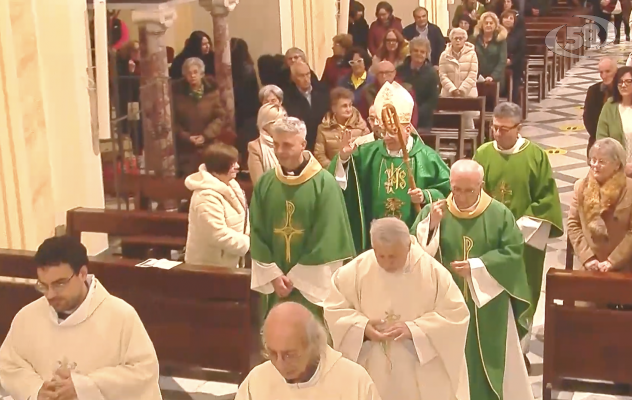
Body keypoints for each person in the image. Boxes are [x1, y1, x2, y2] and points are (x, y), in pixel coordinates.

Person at [412, 160, 533, 400]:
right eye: (456, 189)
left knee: (487, 358)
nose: (462, 196)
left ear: (481, 186)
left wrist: (477, 267)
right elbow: (414, 254)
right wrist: (432, 227)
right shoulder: (435, 212)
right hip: (444, 304)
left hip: (487, 306)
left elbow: (513, 253)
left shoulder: (498, 214)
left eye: (470, 190)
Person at [324, 217, 470, 400]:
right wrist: (362, 327)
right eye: (380, 255)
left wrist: (415, 329)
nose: (386, 262)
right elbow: (335, 308)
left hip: (416, 369)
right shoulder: (357, 270)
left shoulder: (432, 272)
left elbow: (455, 316)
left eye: (393, 256)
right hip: (373, 365)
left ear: (408, 246)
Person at [0, 236, 161, 400]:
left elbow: (144, 372)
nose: (50, 294)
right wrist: (36, 390)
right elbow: (9, 364)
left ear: (82, 273)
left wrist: (85, 387)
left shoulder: (121, 316)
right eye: (43, 285)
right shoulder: (28, 317)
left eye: (59, 284)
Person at [473, 102, 564, 359]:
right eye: (494, 127)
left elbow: (546, 201)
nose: (497, 133)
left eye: (503, 129)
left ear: (518, 128)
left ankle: (519, 351)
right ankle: (491, 347)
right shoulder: (482, 153)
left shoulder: (536, 156)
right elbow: (473, 193)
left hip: (525, 240)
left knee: (522, 293)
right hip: (490, 239)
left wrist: (516, 230)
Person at [249, 117, 356, 320]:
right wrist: (272, 275)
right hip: (276, 284)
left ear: (303, 144)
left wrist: (294, 278)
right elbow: (256, 230)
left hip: (310, 289)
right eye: (276, 145)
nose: (280, 151)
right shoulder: (265, 183)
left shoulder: (325, 184)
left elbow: (329, 236)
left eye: (287, 145)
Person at [331, 81, 451, 252]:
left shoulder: (426, 157)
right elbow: (344, 187)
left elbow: (449, 191)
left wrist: (425, 195)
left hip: (413, 242)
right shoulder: (367, 153)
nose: (387, 136)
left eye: (393, 131)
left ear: (408, 128)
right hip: (374, 242)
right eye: (384, 131)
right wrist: (343, 158)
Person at [235, 302, 382, 400]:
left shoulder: (354, 382)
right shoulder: (257, 381)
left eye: (289, 355)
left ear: (314, 345)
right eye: (272, 353)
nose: (280, 364)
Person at [568, 138, 632, 272]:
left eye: (602, 162)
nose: (595, 165)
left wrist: (612, 261)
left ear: (617, 165)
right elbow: (573, 225)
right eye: (593, 160)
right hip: (592, 267)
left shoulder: (629, 189)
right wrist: (588, 258)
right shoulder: (581, 187)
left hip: (625, 267)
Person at [185, 143, 249, 267]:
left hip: (228, 262)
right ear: (219, 165)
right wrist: (251, 244)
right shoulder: (205, 196)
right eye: (232, 164)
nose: (237, 167)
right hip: (209, 266)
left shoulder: (232, 185)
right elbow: (217, 235)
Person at [172, 57, 225, 177]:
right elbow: (173, 121)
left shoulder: (212, 93)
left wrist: (206, 135)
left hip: (208, 145)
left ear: (202, 74)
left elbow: (220, 117)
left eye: (195, 72)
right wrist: (187, 137)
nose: (192, 76)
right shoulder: (177, 95)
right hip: (185, 149)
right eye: (189, 73)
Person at [314, 87, 371, 168]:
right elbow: (319, 155)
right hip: (333, 174)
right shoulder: (323, 128)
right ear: (334, 108)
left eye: (350, 105)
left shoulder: (361, 127)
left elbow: (369, 152)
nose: (348, 109)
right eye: (344, 106)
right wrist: (335, 168)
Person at [283, 61, 331, 151]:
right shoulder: (287, 98)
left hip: (324, 144)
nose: (306, 79)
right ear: (293, 78)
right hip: (303, 145)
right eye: (301, 76)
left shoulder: (323, 91)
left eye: (307, 74)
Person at [396, 37, 440, 132]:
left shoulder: (432, 74)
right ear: (410, 52)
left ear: (426, 54)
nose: (418, 54)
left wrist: (415, 113)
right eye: (415, 50)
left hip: (423, 121)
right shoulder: (400, 70)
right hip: (400, 118)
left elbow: (432, 101)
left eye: (422, 52)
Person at [584, 57, 618, 156]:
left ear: (616, 71)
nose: (604, 76)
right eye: (601, 72)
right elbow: (588, 119)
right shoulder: (593, 91)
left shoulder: (623, 90)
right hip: (598, 139)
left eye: (608, 71)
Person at [596, 66, 632, 157]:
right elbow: (601, 138)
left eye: (628, 81)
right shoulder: (609, 106)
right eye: (620, 82)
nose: (623, 85)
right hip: (616, 166)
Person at [247, 103, 287, 183]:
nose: (282, 127)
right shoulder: (255, 147)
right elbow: (258, 183)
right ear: (265, 125)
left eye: (284, 122)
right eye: (277, 123)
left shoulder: (290, 143)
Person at [471, 12, 508, 93]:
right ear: (482, 25)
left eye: (491, 23)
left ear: (495, 25)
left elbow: (502, 61)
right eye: (486, 23)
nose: (488, 25)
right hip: (477, 77)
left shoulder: (501, 40)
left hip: (495, 79)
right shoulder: (475, 39)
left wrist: (492, 76)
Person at [501, 9, 526, 104]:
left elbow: (521, 51)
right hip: (499, 64)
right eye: (505, 17)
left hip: (514, 65)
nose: (508, 20)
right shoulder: (497, 33)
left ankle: (514, 105)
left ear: (514, 21)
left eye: (511, 18)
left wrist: (511, 61)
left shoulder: (519, 34)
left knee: (514, 83)